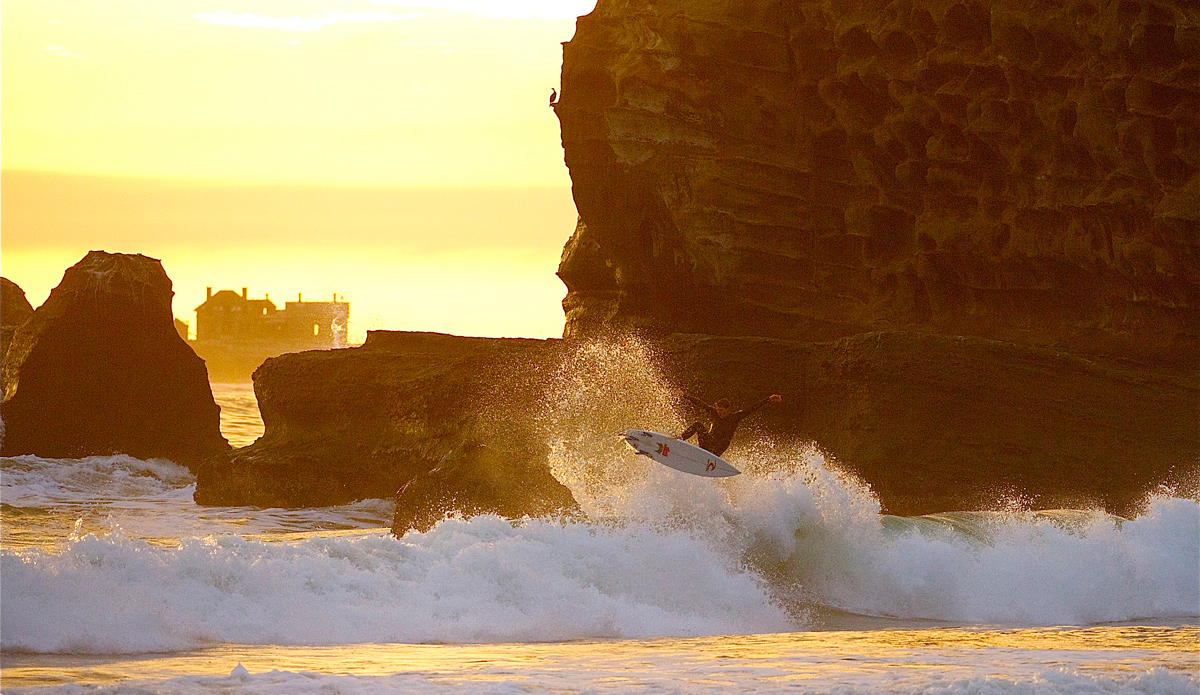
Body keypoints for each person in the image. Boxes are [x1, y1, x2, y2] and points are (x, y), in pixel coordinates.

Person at [677, 393, 782, 456]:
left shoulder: (734, 418)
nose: (719, 413)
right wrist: (684, 395)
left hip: (718, 448)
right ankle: (679, 440)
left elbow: (751, 409)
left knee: (724, 439)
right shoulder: (715, 413)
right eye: (718, 410)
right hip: (707, 443)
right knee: (697, 425)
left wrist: (768, 399)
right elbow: (700, 403)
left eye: (721, 410)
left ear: (727, 409)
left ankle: (712, 456)